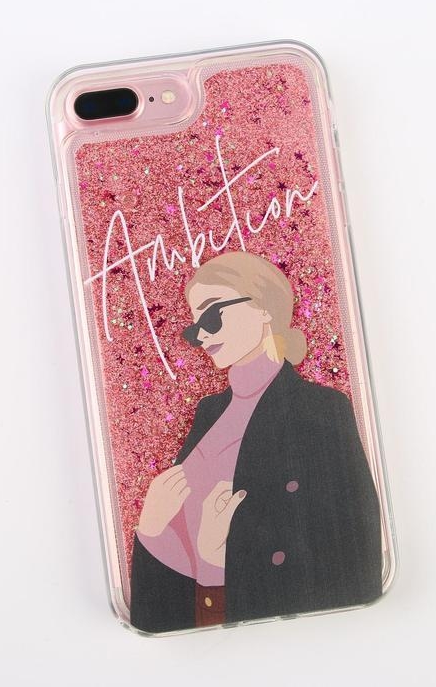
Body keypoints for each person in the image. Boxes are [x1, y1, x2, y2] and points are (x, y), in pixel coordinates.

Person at [129, 251, 382, 633]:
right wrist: (149, 529)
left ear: (263, 308)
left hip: (297, 632)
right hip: (196, 631)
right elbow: (154, 618)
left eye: (213, 315)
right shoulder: (209, 412)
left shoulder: (321, 409)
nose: (202, 335)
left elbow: (355, 552)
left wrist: (219, 558)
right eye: (195, 326)